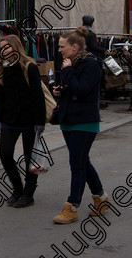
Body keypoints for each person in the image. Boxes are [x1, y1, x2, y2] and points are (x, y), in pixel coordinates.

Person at [52, 28, 110, 224]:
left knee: (76, 165)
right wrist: (60, 91)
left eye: (62, 46)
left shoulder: (91, 64)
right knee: (82, 161)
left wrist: (67, 72)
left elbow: (83, 89)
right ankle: (101, 198)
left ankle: (72, 207)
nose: (59, 50)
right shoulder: (71, 63)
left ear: (74, 47)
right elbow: (71, 88)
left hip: (85, 121)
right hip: (69, 119)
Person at [0, 34, 46, 208]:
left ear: (15, 47)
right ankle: (17, 188)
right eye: (1, 49)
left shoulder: (29, 67)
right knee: (5, 154)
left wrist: (40, 121)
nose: (4, 51)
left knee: (31, 157)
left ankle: (29, 193)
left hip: (29, 119)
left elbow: (38, 96)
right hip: (9, 119)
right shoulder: (2, 69)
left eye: (7, 47)